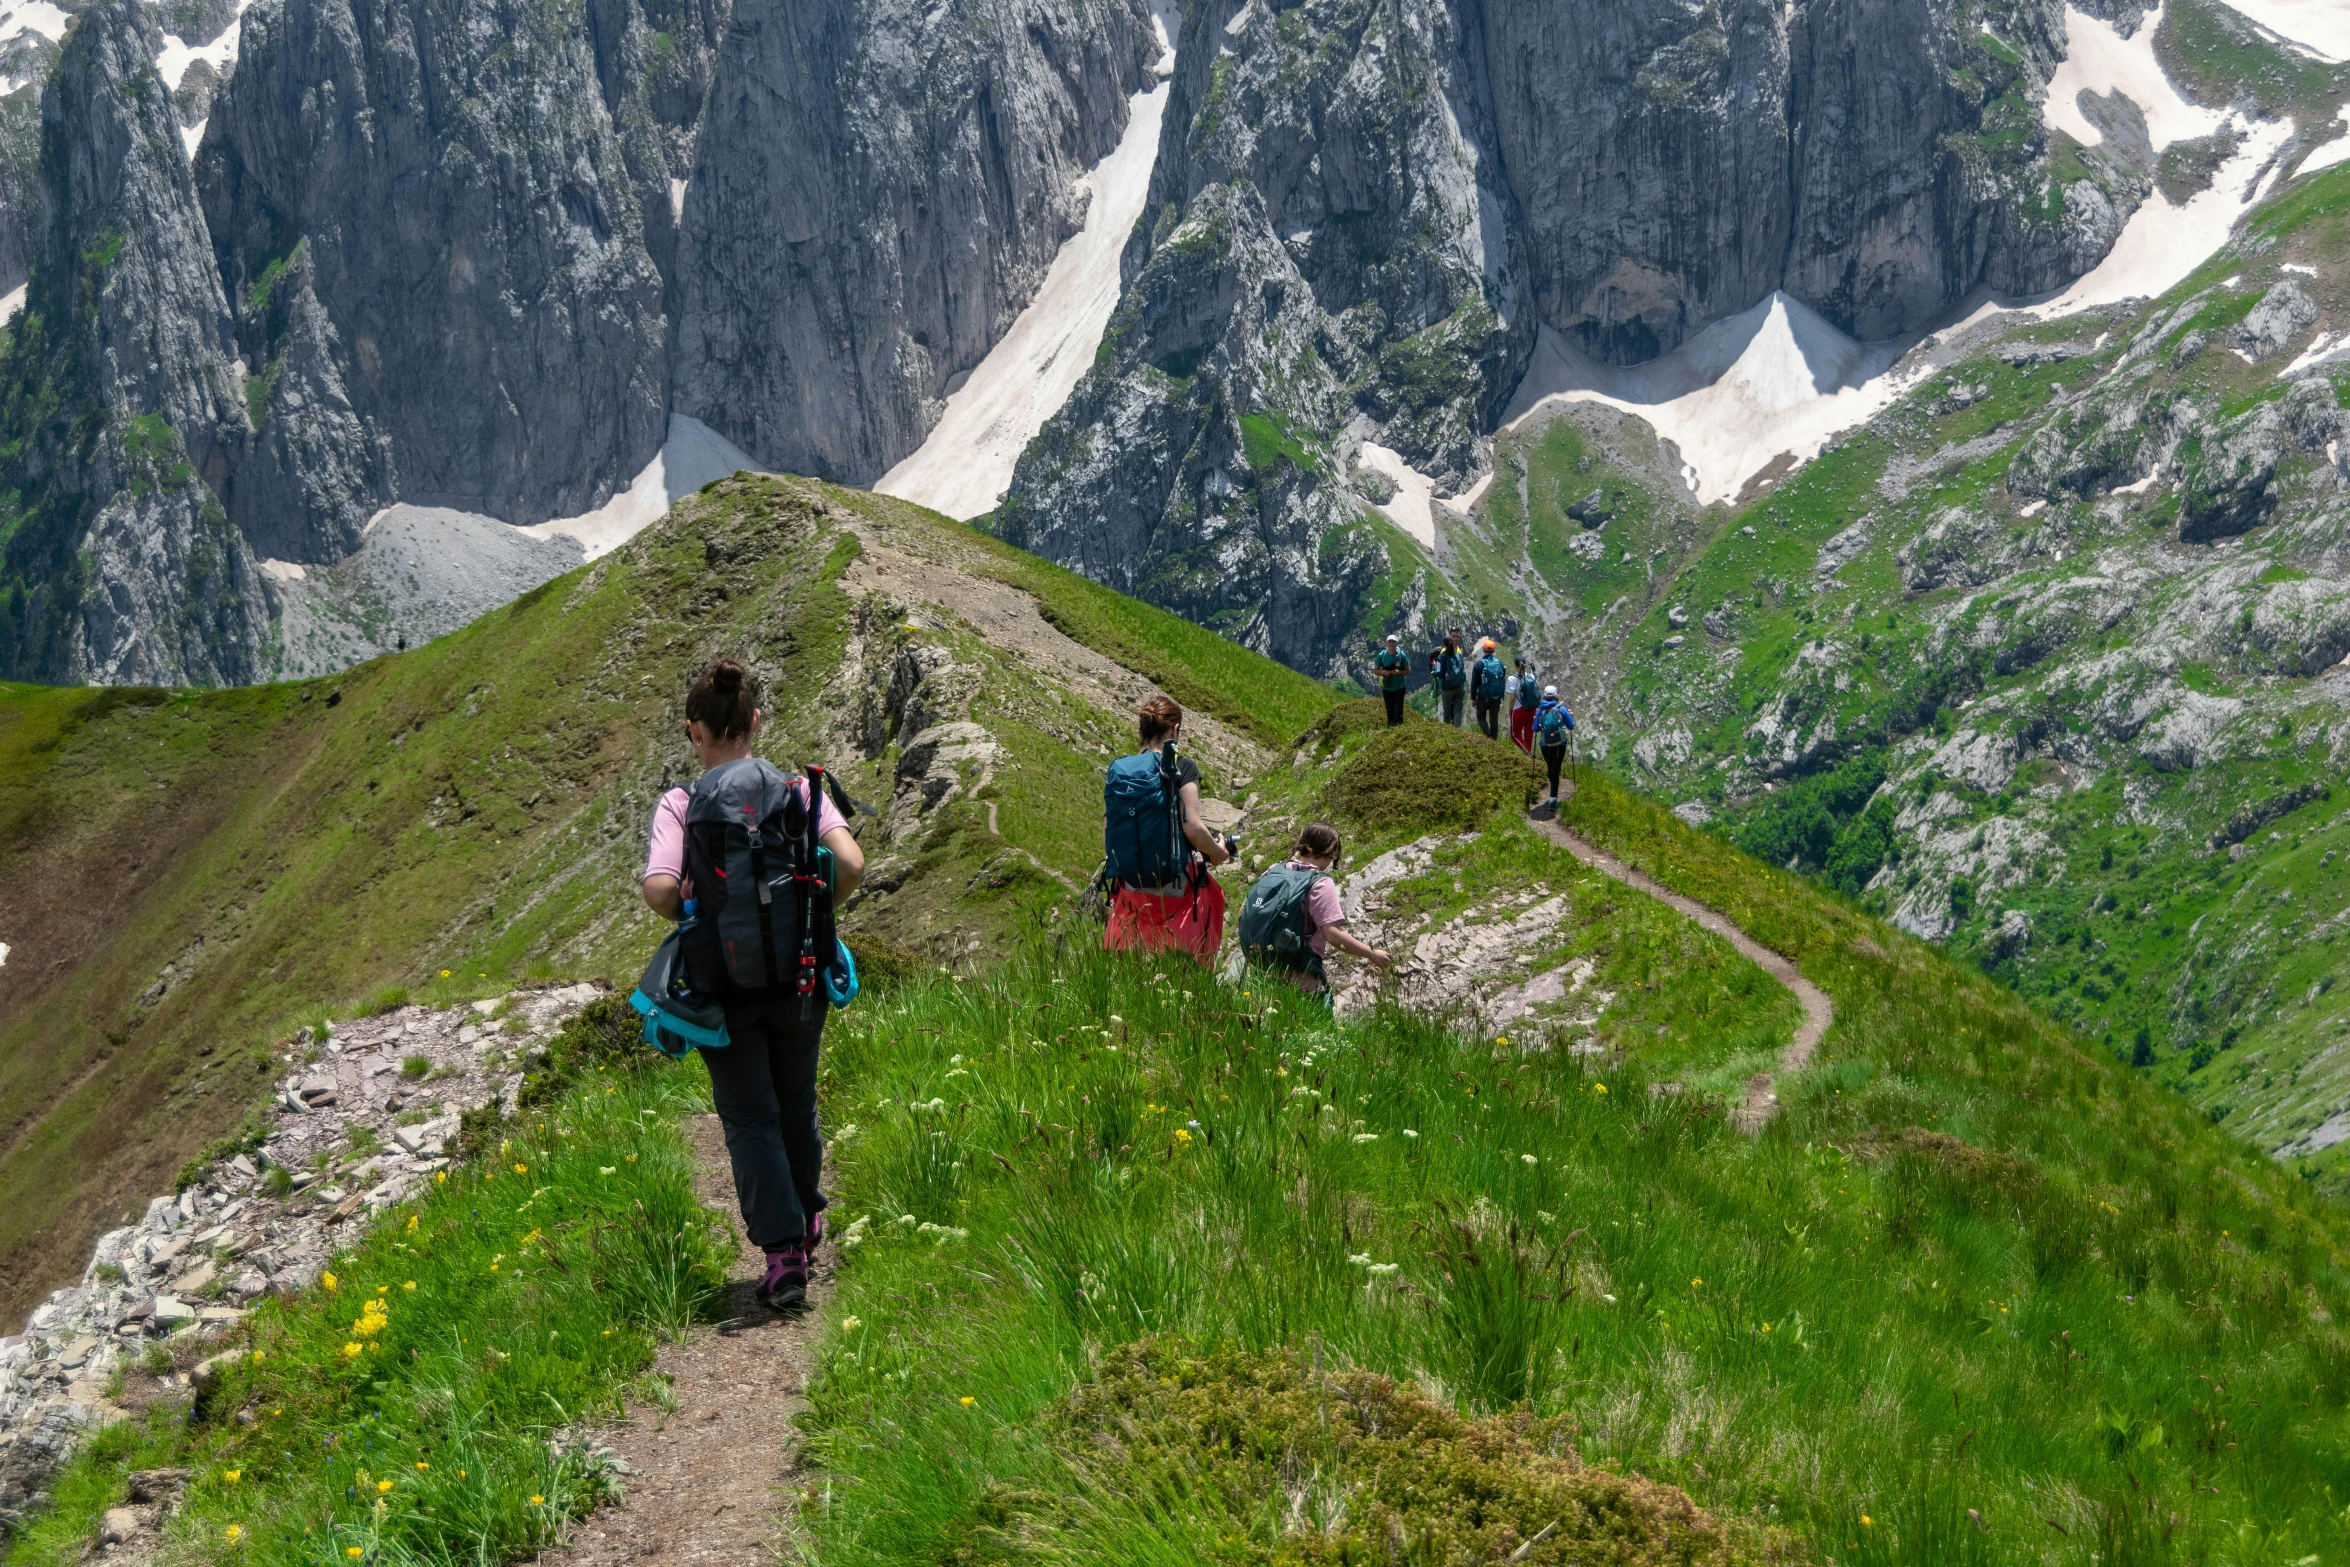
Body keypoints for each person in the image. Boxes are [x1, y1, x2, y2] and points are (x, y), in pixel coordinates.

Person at [642, 658, 865, 1312]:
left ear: (694, 731)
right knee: (796, 1101)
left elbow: (658, 886)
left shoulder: (682, 803)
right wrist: (818, 911)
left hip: (723, 987)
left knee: (748, 1115)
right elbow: (849, 861)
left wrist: (686, 904)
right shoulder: (796, 789)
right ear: (756, 720)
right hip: (801, 976)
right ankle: (808, 1215)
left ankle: (783, 1252)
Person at [1103, 696, 1236, 964]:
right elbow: (1193, 828)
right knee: (1212, 899)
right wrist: (1217, 852)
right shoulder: (1181, 767)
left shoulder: (1119, 770)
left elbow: (1108, 828)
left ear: (1141, 730)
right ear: (1175, 730)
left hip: (1130, 884)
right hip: (1174, 886)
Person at [1237, 822, 1391, 1000]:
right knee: (1320, 1025)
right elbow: (1332, 936)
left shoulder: (1275, 869)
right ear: (1332, 852)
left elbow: (1243, 912)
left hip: (1262, 971)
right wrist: (1371, 954)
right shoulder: (1320, 883)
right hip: (1301, 978)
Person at [1533, 685, 1576, 805]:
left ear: (1545, 696)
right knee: (1556, 770)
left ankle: (1552, 791)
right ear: (1556, 695)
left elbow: (1535, 729)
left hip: (1544, 744)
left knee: (1551, 767)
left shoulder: (1540, 710)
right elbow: (1571, 726)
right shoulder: (1561, 709)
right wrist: (1570, 716)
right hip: (1559, 743)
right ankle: (1553, 800)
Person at [1430, 628, 1469, 727]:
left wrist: (1434, 667)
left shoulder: (1442, 656)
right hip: (1459, 686)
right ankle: (1457, 729)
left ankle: (1448, 730)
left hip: (1447, 688)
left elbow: (1439, 673)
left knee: (1447, 711)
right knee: (1458, 710)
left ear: (1444, 644)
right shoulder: (1459, 654)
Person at [1471, 638, 1508, 740]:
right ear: (1493, 650)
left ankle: (1487, 736)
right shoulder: (1499, 663)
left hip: (1483, 696)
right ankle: (1494, 741)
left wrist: (1473, 698)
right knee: (1494, 720)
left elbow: (1474, 683)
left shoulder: (1479, 664)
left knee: (1480, 717)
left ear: (1483, 650)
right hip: (1496, 696)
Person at [1374, 632, 1411, 726]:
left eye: (1393, 642)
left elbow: (1408, 670)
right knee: (1389, 709)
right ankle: (1390, 727)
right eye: (1389, 642)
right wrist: (1382, 673)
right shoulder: (1381, 655)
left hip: (1400, 686)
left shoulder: (1402, 656)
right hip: (1387, 688)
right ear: (1386, 643)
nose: (1391, 643)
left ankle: (1399, 727)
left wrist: (1399, 673)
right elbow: (1375, 670)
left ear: (1397, 643)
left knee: (1398, 709)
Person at [1509, 659, 1538, 754]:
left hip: (1518, 710)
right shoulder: (1532, 676)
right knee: (1528, 734)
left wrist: (1510, 710)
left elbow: (1512, 697)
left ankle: (1529, 753)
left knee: (1515, 735)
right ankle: (1528, 754)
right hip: (1532, 710)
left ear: (1515, 665)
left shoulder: (1512, 679)